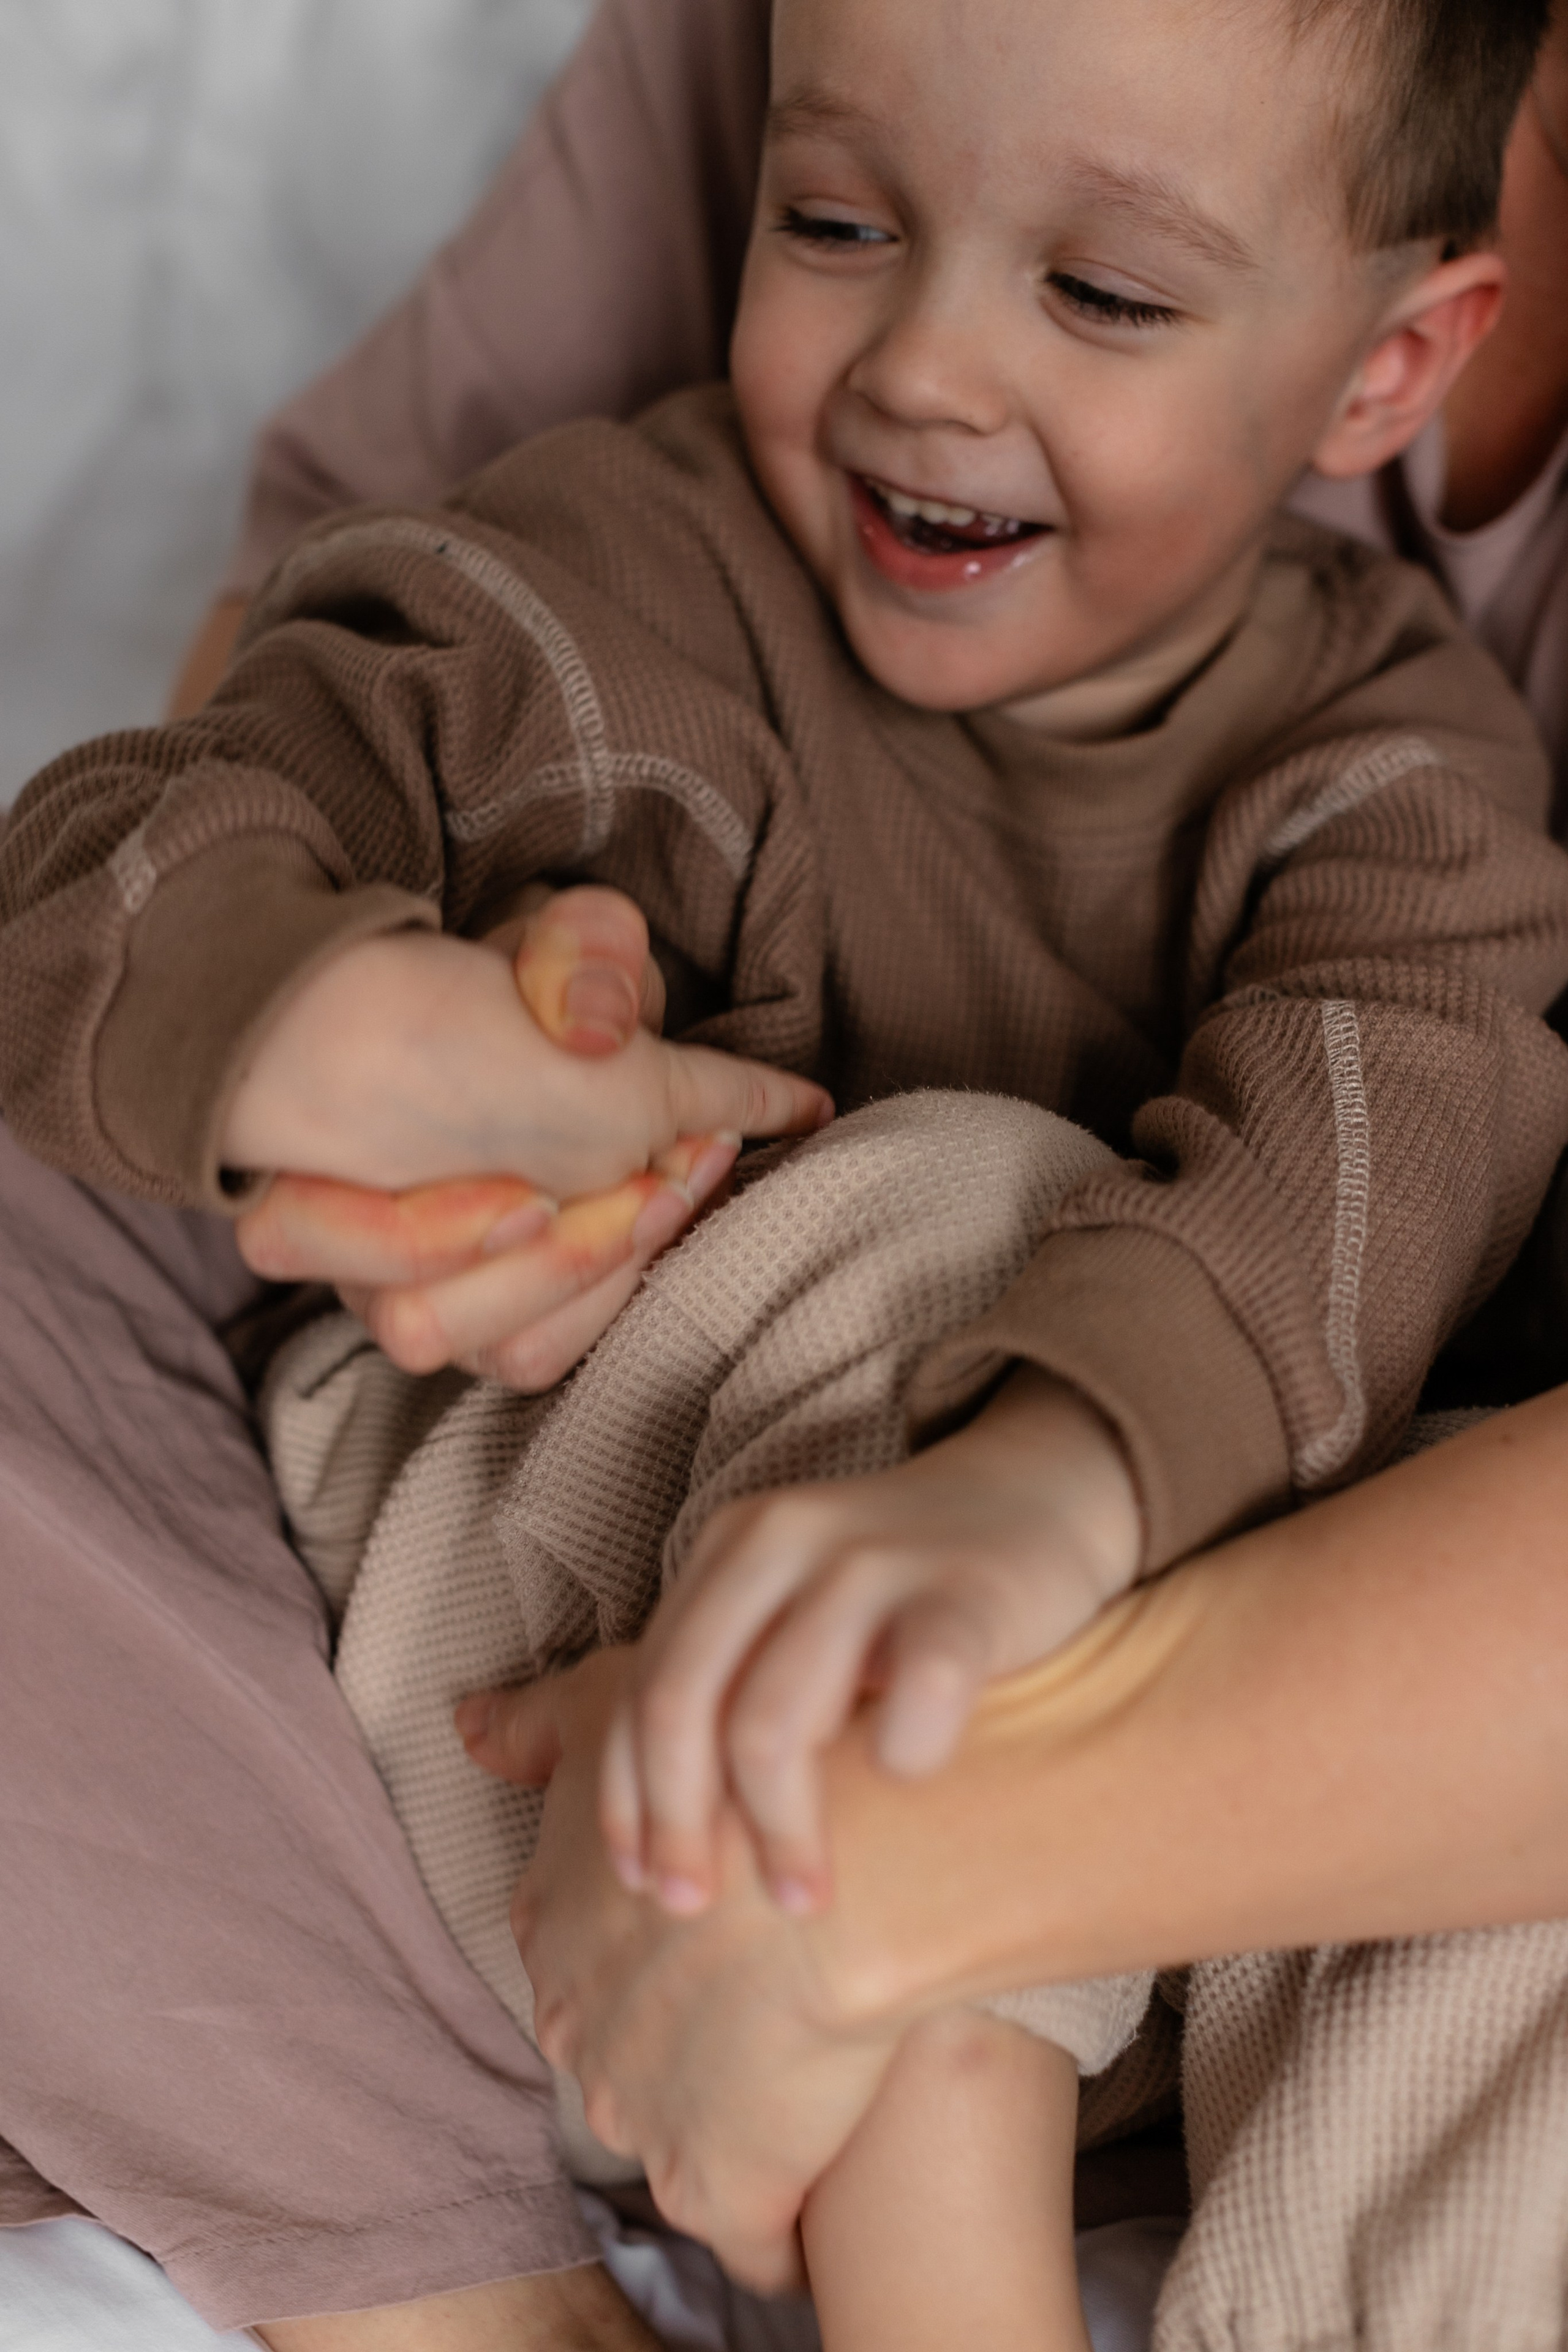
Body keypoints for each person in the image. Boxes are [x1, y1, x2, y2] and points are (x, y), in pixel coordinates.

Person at [0, 6, 1566, 2352]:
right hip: (543, 1696)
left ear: (1386, 369)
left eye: (1106, 297)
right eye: (834, 227)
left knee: (1494, 1919)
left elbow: (1396, 1125)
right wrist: (329, 1018)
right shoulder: (617, 575)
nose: (921, 368)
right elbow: (136, 838)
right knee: (959, 1226)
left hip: (1133, 1818)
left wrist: (1048, 1492)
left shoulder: (1395, 761)